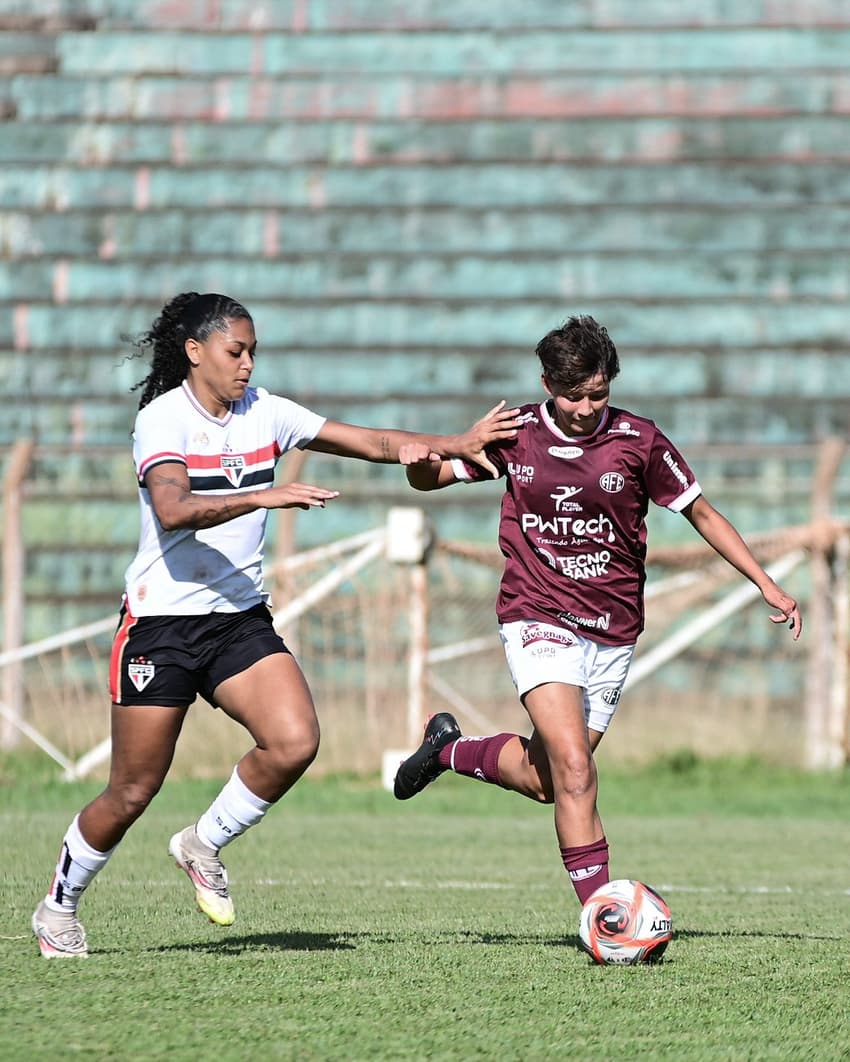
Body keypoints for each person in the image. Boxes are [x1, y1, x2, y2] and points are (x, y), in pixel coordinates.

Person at [31, 291, 522, 958]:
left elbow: (373, 442)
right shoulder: (162, 419)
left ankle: (202, 842)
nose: (247, 364)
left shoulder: (266, 411)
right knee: (132, 789)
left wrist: (455, 443)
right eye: (235, 351)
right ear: (195, 351)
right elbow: (173, 509)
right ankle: (58, 908)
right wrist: (266, 494)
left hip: (236, 619)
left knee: (294, 741)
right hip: (160, 626)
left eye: (253, 352)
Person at [393, 314, 802, 907]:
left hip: (612, 628)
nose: (586, 408)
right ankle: (605, 918)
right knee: (577, 771)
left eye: (598, 394)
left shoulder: (640, 441)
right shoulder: (516, 433)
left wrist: (766, 582)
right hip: (537, 613)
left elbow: (702, 513)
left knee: (549, 779)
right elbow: (431, 479)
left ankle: (447, 749)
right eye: (572, 395)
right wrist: (416, 461)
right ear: (546, 384)